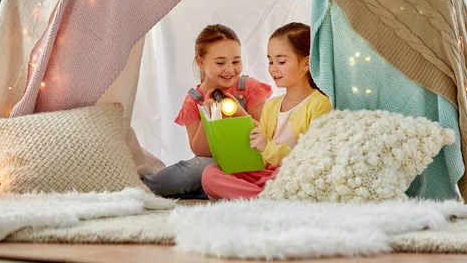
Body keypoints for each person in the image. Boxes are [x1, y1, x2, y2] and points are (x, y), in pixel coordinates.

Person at [201, 22, 332, 199]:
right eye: (270, 61)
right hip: (265, 174)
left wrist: (267, 148)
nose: (273, 68)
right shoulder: (272, 105)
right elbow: (260, 153)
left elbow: (310, 161)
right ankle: (263, 198)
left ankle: (262, 198)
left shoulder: (319, 104)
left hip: (291, 174)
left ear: (306, 63)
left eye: (281, 61)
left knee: (286, 176)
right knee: (210, 173)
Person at [141, 24, 272, 199]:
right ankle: (142, 186)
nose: (229, 69)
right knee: (190, 172)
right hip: (214, 165)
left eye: (236, 61)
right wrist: (208, 117)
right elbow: (200, 152)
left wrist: (239, 112)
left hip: (253, 163)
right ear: (201, 62)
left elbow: (266, 134)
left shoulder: (248, 88)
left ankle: (213, 191)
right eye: (220, 63)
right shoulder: (194, 100)